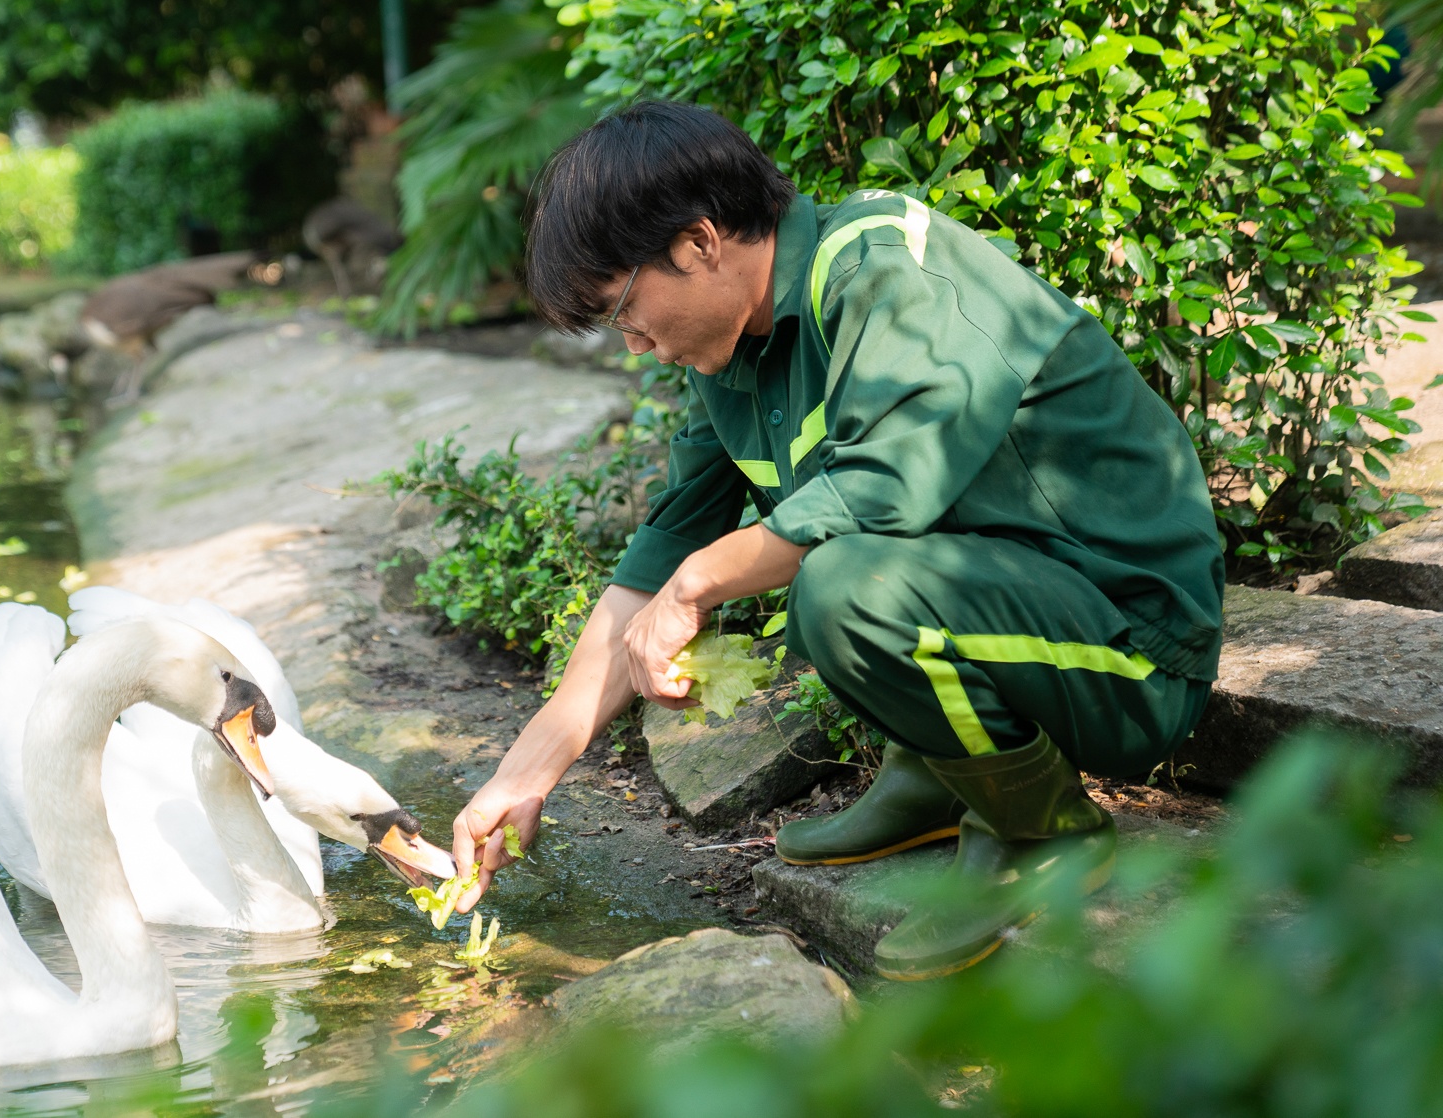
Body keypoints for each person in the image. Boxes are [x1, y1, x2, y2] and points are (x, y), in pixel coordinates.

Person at [448, 102, 1223, 980]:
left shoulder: (881, 264)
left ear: (700, 243)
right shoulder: (734, 354)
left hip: (1128, 653)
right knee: (829, 573)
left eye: (626, 312)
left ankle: (1037, 833)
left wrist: (702, 583)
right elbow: (658, 557)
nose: (637, 346)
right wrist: (523, 776)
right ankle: (939, 771)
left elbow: (884, 489)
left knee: (845, 585)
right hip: (1015, 620)